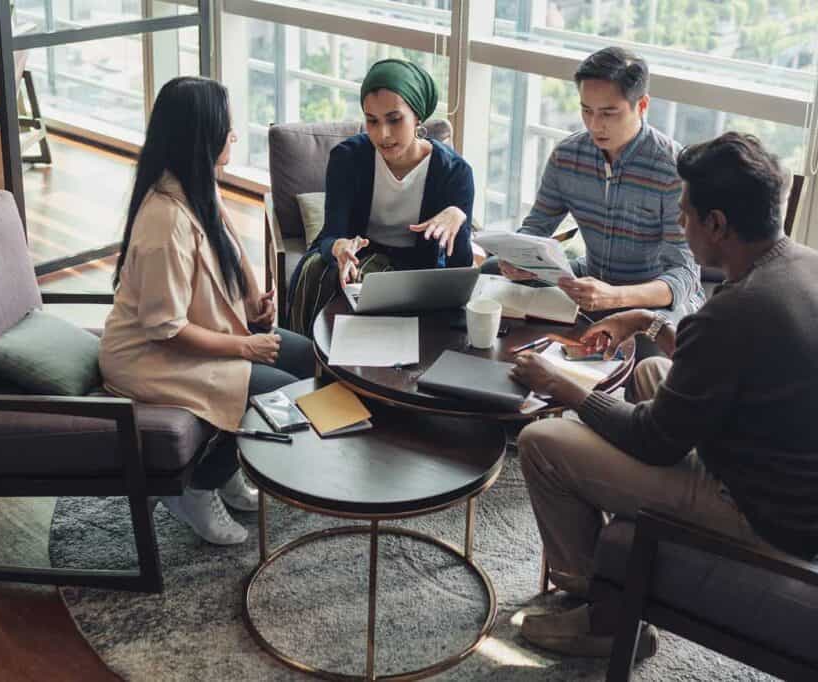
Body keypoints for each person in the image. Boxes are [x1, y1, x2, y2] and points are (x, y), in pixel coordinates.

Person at [508, 132, 818, 659]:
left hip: (765, 513)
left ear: (717, 224)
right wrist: (647, 321)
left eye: (685, 216)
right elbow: (727, 363)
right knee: (653, 370)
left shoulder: (738, 307)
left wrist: (558, 384)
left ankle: (604, 613)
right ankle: (613, 583)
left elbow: (654, 441)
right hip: (813, 482)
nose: (681, 226)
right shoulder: (807, 266)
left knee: (543, 441)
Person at [100, 77, 315, 546]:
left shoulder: (198, 186)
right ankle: (196, 490)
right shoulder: (164, 223)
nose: (234, 136)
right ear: (202, 136)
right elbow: (165, 329)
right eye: (227, 128)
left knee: (308, 359)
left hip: (194, 335)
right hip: (152, 356)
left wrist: (256, 301)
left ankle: (226, 470)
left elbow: (229, 249)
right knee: (276, 396)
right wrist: (245, 345)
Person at [486, 47, 703, 335]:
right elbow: (536, 227)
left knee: (653, 346)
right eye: (586, 110)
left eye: (608, 113)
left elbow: (685, 274)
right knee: (490, 271)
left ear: (641, 105)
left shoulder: (672, 169)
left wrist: (616, 297)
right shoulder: (567, 156)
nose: (594, 125)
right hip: (590, 278)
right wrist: (519, 259)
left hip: (652, 299)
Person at [287, 59, 475, 334]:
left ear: (417, 117)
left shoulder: (454, 173)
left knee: (374, 282)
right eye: (372, 121)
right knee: (319, 269)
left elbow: (459, 269)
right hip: (358, 257)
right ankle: (311, 359)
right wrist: (339, 247)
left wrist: (459, 218)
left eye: (394, 119)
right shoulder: (347, 159)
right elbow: (331, 236)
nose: (383, 134)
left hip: (413, 272)